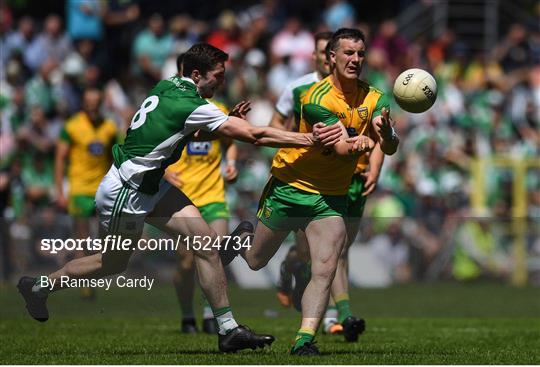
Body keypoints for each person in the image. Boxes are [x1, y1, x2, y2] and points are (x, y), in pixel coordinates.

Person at [17, 43, 343, 353]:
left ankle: (228, 331)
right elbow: (255, 135)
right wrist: (309, 139)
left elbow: (181, 128)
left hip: (150, 185)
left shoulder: (168, 85)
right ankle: (40, 285)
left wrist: (221, 121)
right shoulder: (193, 104)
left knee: (205, 244)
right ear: (198, 75)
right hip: (127, 192)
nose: (223, 81)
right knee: (110, 263)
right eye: (218, 75)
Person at [220, 28, 399, 355]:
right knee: (256, 261)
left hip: (330, 197)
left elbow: (387, 143)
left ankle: (304, 339)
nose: (355, 60)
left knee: (326, 266)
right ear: (331, 58)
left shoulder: (375, 96)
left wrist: (386, 136)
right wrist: (361, 142)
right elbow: (343, 148)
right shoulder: (314, 98)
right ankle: (243, 237)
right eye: (348, 53)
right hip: (290, 186)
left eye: (360, 53)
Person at [163, 54, 238, 334]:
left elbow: (230, 141)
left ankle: (211, 315)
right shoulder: (176, 109)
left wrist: (230, 163)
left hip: (213, 195)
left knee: (215, 252)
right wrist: (164, 172)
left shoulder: (219, 109)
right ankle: (186, 314)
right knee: (185, 263)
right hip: (183, 197)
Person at [54, 87, 118, 300]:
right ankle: (84, 284)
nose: (92, 106)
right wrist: (60, 191)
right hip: (80, 189)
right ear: (83, 103)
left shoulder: (109, 127)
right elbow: (60, 158)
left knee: (101, 241)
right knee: (82, 240)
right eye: (89, 102)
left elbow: (115, 158)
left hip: (102, 190)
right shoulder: (72, 126)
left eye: (96, 102)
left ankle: (91, 277)